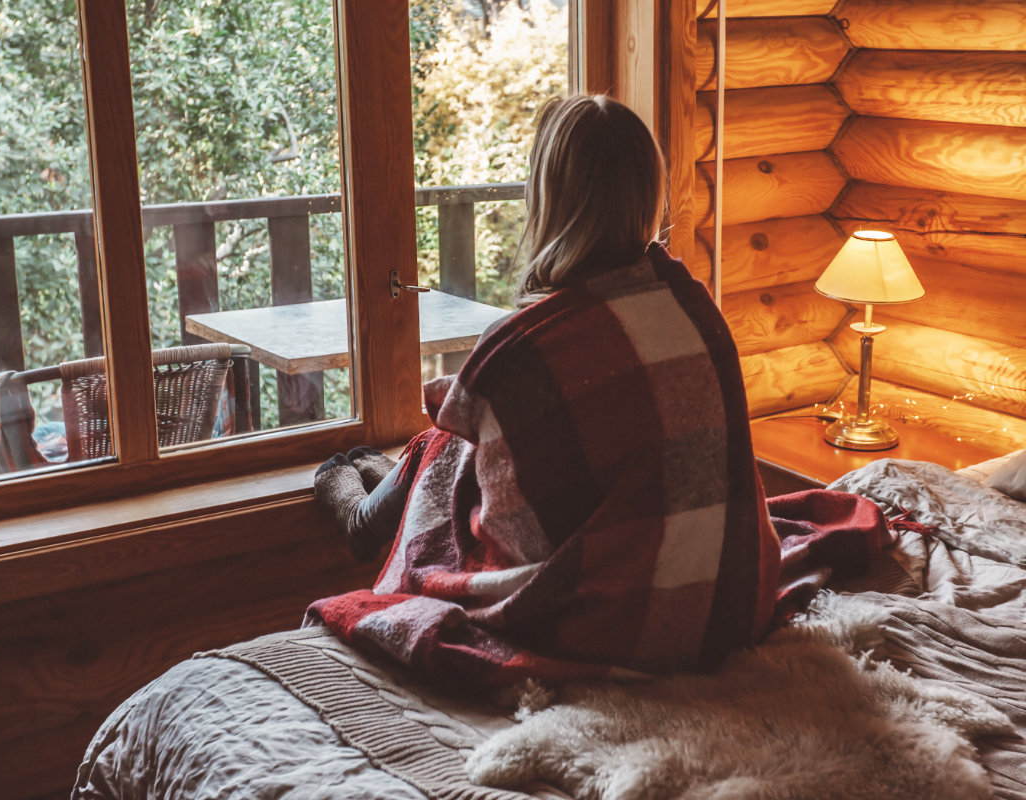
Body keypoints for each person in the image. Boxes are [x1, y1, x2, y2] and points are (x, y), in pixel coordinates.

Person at [310, 94, 783, 686]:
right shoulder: (693, 309)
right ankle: (381, 487)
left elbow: (518, 536)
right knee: (473, 422)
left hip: (616, 626)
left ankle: (363, 516)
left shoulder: (519, 348)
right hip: (728, 606)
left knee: (449, 443)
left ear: (549, 197)